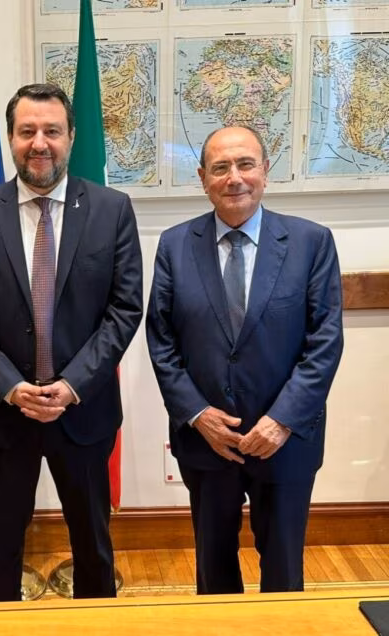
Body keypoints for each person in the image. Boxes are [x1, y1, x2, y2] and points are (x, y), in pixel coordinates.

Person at [0, 83, 143, 601]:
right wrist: (12, 386)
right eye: (27, 131)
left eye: (52, 130)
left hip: (84, 411)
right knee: (3, 550)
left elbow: (124, 311)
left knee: (93, 547)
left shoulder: (111, 210)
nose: (39, 143)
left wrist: (72, 384)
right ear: (11, 138)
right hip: (5, 414)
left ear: (71, 136)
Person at [146, 125, 343, 595]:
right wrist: (198, 414)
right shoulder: (174, 245)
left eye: (245, 164)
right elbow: (161, 340)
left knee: (284, 571)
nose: (234, 177)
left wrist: (282, 420)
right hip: (208, 442)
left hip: (285, 441)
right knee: (213, 570)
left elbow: (325, 341)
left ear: (265, 172)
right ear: (203, 178)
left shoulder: (311, 242)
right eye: (220, 167)